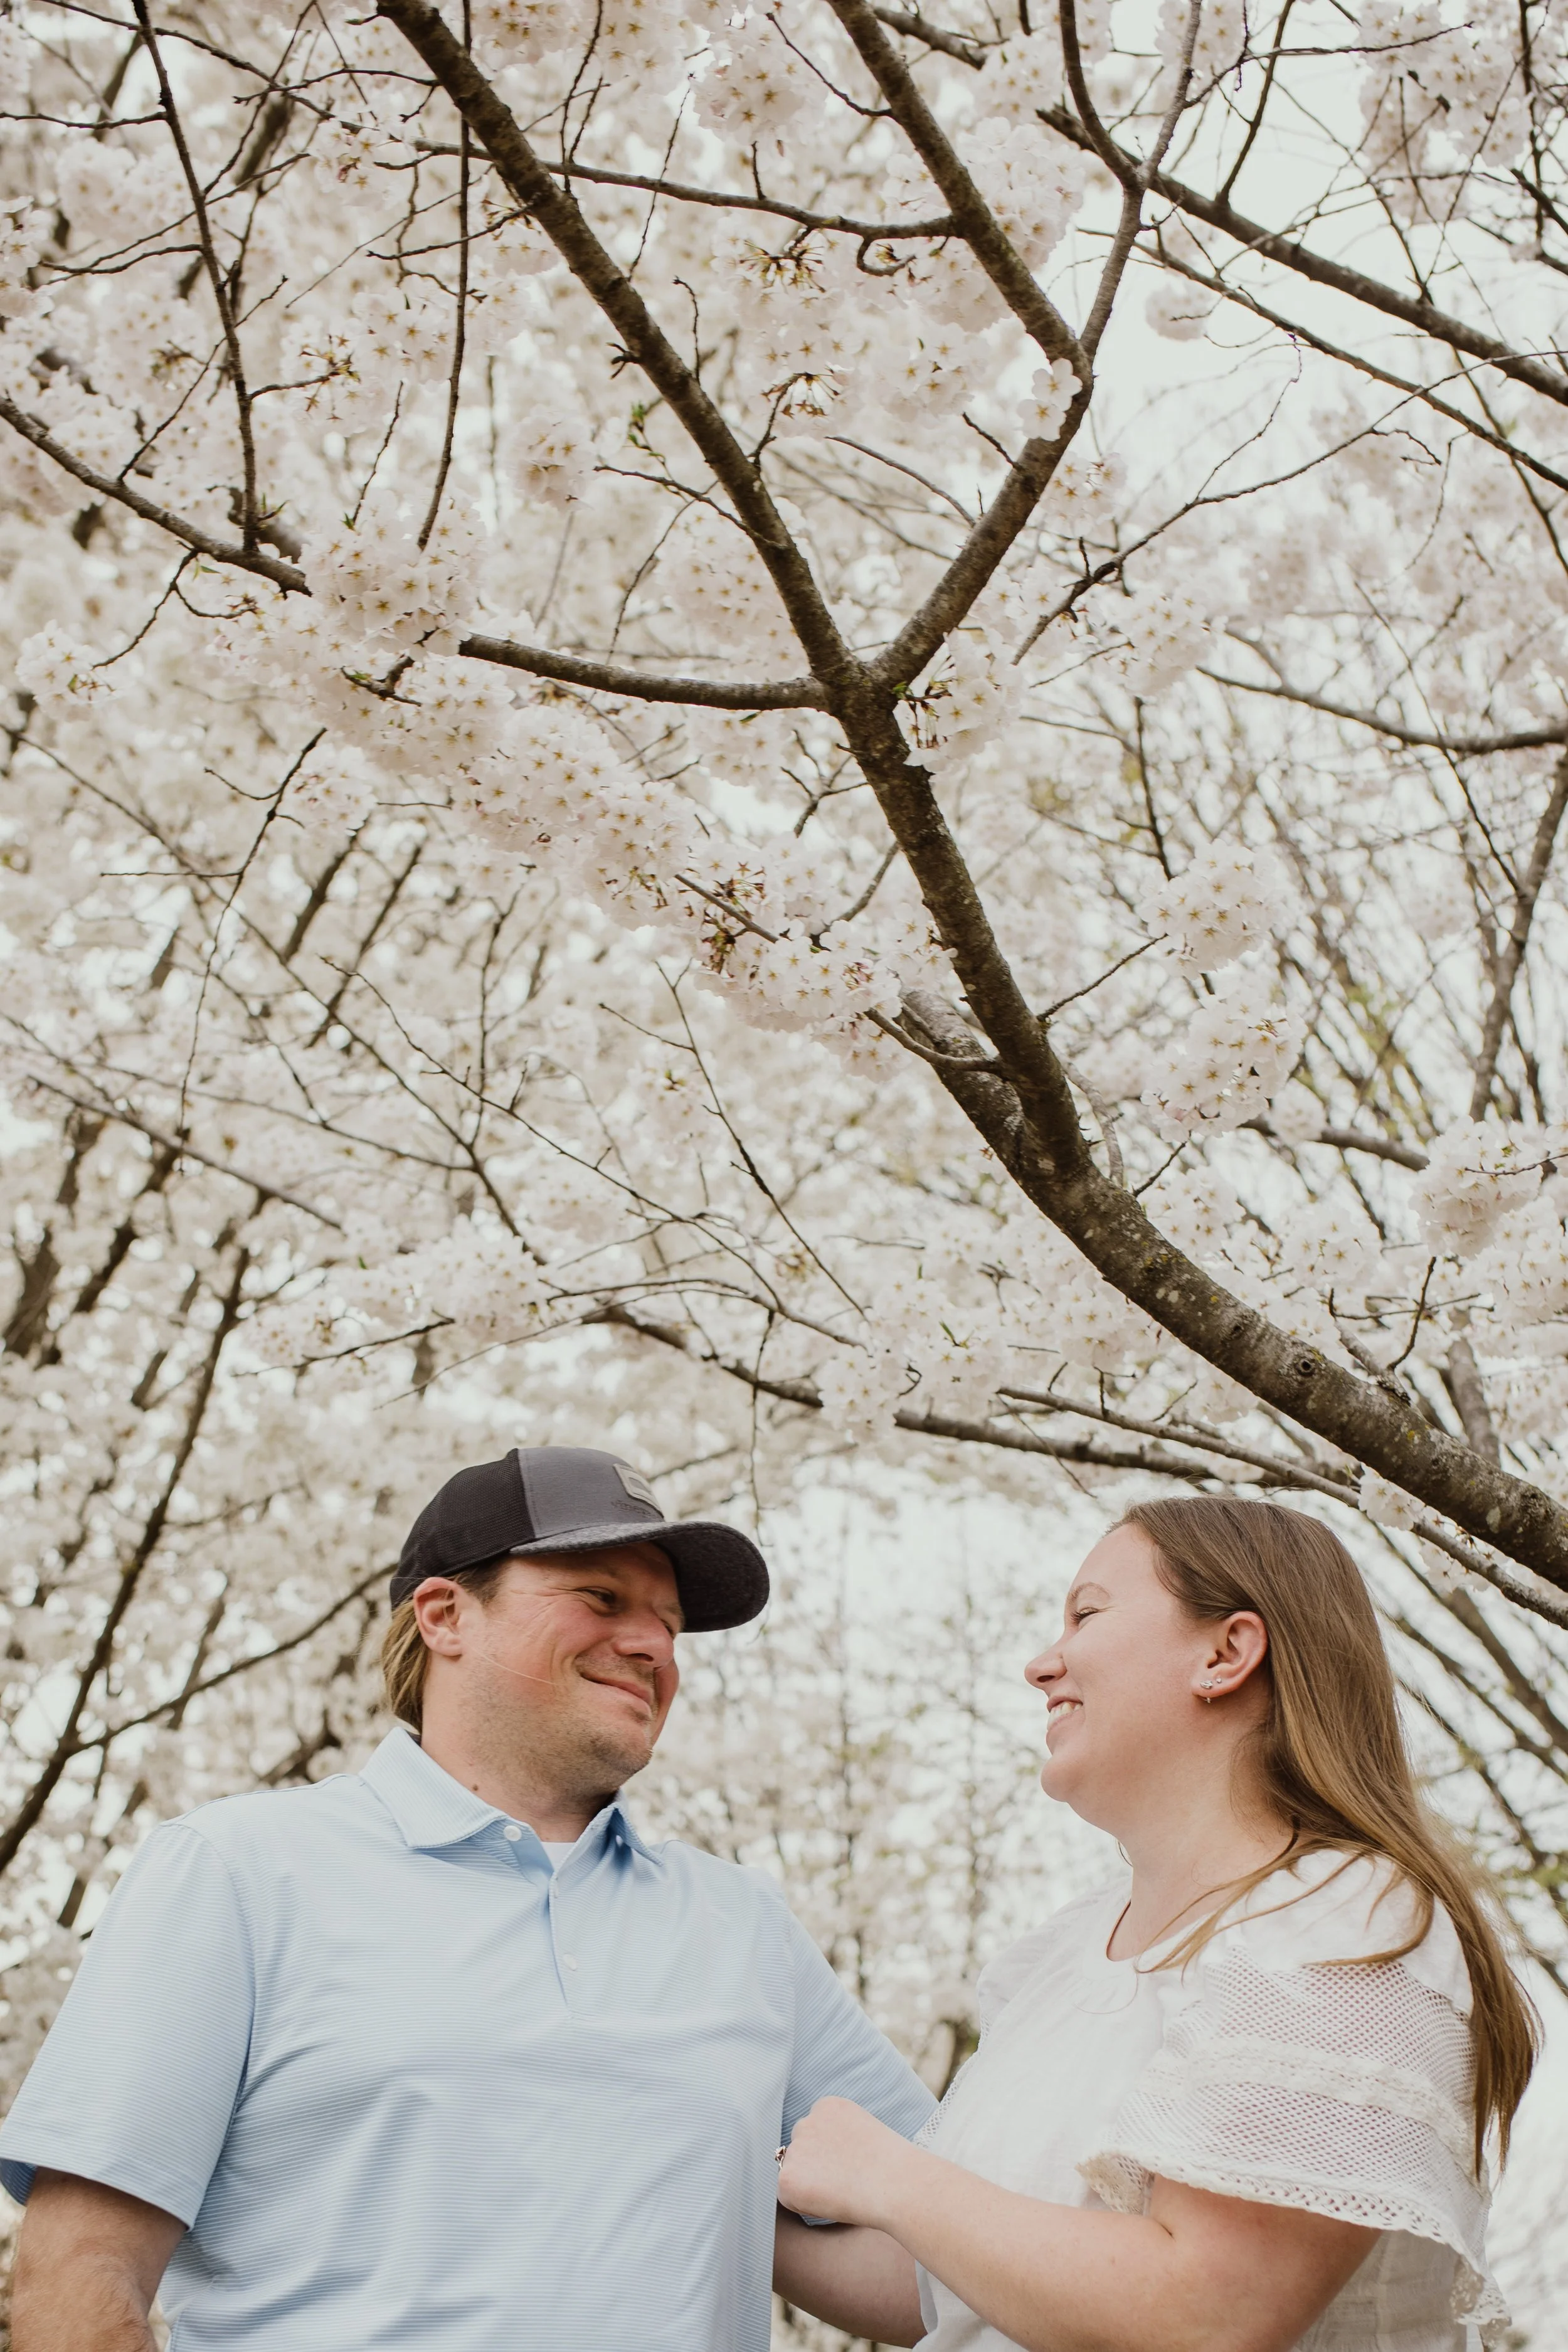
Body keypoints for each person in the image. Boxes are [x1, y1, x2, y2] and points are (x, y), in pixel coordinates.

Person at [0, 1444, 935, 2351]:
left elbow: (941, 2254)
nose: (653, 1644)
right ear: (445, 1615)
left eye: (670, 1623)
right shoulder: (238, 1872)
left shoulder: (743, 1926)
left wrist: (722, 2199)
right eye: (602, 1597)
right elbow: (81, 2273)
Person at [773, 1495, 1538, 2352]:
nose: (1040, 1663)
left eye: (1087, 1612)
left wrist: (887, 2175)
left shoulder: (1347, 1920)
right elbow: (958, 2289)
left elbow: (1211, 2309)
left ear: (1226, 1652)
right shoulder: (1064, 1957)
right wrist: (715, 2184)